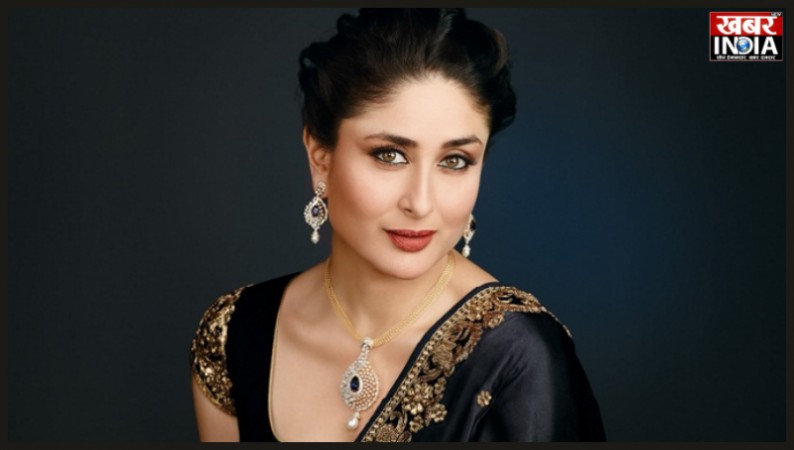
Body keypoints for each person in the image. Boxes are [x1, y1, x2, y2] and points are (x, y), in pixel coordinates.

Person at [189, 8, 606, 442]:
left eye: (454, 161)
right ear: (320, 157)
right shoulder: (234, 333)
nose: (420, 203)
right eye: (390, 155)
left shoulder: (517, 358)